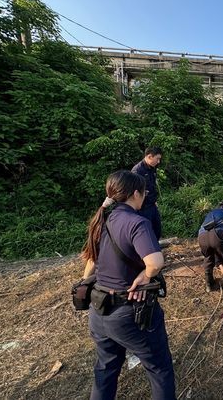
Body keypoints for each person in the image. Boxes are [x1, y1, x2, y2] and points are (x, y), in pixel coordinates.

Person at [81, 170, 175, 400]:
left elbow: (90, 262)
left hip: (99, 309)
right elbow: (155, 262)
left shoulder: (102, 219)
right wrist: (144, 275)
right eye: (144, 193)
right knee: (159, 368)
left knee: (106, 369)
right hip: (129, 312)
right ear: (136, 193)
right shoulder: (137, 222)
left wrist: (86, 285)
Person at [132, 147, 163, 239]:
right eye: (157, 159)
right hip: (143, 208)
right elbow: (135, 193)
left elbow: (151, 186)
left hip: (152, 205)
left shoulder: (152, 168)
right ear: (150, 157)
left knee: (157, 229)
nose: (158, 162)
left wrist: (154, 200)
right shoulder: (137, 171)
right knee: (146, 232)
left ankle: (156, 249)